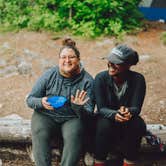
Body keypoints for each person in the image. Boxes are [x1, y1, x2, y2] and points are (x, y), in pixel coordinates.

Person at [26, 38, 94, 166]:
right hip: (46, 114)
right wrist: (41, 102)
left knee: (75, 134)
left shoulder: (87, 81)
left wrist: (78, 107)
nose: (67, 61)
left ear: (78, 60)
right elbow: (30, 99)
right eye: (63, 57)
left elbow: (89, 115)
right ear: (58, 60)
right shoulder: (49, 74)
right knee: (40, 131)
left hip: (71, 117)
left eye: (71, 57)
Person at [93, 45, 147, 166]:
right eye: (110, 61)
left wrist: (128, 111)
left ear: (128, 65)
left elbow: (136, 107)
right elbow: (101, 108)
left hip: (127, 119)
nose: (111, 64)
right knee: (103, 124)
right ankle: (99, 161)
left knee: (137, 124)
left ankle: (129, 161)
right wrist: (114, 114)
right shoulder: (100, 78)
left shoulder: (138, 79)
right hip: (106, 118)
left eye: (116, 63)